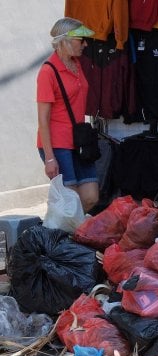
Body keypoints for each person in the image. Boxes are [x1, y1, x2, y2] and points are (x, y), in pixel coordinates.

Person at [36, 17, 99, 213]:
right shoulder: (48, 71)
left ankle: (67, 233)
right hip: (58, 144)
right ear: (65, 41)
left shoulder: (77, 64)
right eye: (81, 40)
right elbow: (43, 119)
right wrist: (49, 158)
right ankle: (60, 238)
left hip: (79, 141)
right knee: (69, 204)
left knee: (90, 197)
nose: (85, 44)